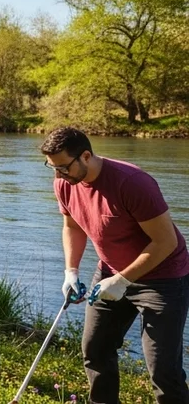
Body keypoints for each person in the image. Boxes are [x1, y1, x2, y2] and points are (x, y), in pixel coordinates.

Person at [43, 126, 189, 404]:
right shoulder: (64, 183)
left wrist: (123, 280)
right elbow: (72, 226)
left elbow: (166, 242)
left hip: (164, 279)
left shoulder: (132, 183)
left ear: (86, 156)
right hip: (109, 272)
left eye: (63, 167)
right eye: (52, 168)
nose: (58, 175)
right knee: (95, 350)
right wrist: (71, 271)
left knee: (163, 371)